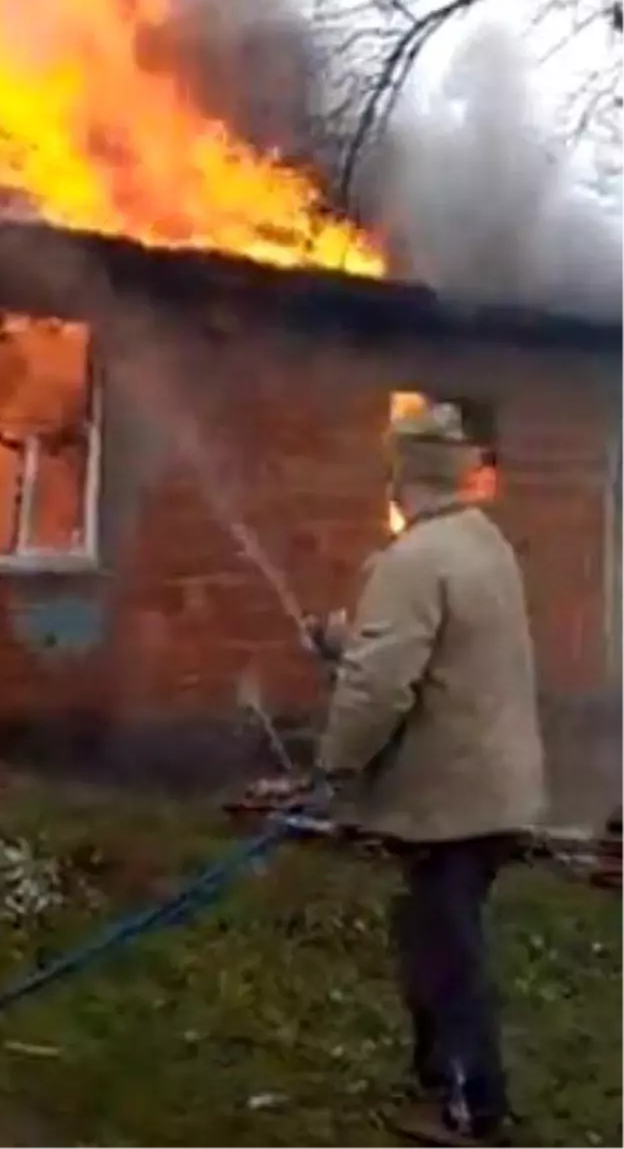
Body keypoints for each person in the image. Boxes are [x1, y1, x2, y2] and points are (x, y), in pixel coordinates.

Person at [315, 401, 547, 1147]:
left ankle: (473, 1107)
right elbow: (439, 645)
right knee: (429, 931)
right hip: (497, 786)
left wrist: (333, 765)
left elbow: (380, 686)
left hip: (448, 795)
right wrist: (341, 639)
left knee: (447, 949)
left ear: (401, 476)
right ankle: (435, 1075)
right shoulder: (482, 544)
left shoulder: (411, 559)